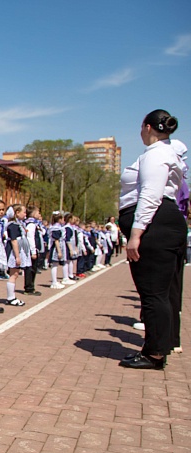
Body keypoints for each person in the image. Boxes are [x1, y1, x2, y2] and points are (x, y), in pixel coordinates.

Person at [118, 109, 186, 369]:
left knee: (153, 293)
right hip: (163, 224)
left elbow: (150, 194)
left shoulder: (156, 154)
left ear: (147, 127)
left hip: (154, 226)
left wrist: (136, 234)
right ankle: (158, 347)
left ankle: (154, 353)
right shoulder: (169, 153)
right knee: (161, 292)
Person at [3, 204, 30, 306]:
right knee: (14, 274)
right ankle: (10, 297)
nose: (25, 214)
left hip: (18, 251)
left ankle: (11, 296)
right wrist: (17, 256)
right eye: (24, 212)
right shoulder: (13, 225)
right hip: (14, 252)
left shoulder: (19, 224)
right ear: (17, 213)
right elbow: (14, 241)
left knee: (15, 274)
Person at [23, 206, 43, 296]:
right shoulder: (31, 224)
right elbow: (30, 238)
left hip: (35, 249)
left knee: (33, 269)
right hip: (32, 250)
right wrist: (33, 251)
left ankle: (31, 286)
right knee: (31, 269)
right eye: (38, 212)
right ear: (33, 214)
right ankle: (29, 288)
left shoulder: (35, 224)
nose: (39, 214)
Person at [48, 212, 67, 289]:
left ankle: (55, 281)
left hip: (60, 246)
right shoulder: (56, 228)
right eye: (62, 219)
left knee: (56, 264)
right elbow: (56, 240)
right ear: (59, 219)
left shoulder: (59, 227)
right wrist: (59, 251)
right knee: (54, 264)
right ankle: (54, 282)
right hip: (56, 248)